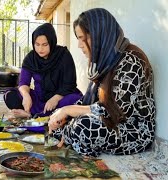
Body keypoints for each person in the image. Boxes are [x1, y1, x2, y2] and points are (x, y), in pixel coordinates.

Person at [48, 8, 156, 157]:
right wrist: (64, 115)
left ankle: (73, 138)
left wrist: (68, 111)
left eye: (82, 38)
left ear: (98, 35)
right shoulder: (105, 61)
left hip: (132, 131)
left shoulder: (132, 61)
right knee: (57, 119)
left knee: (83, 126)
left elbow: (116, 110)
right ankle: (71, 138)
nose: (79, 45)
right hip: (108, 122)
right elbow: (89, 103)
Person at [4, 23, 82, 118]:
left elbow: (70, 84)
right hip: (39, 99)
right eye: (37, 44)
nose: (40, 49)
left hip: (61, 97)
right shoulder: (30, 58)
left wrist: (55, 99)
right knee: (10, 95)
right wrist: (26, 96)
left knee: (75, 99)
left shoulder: (63, 55)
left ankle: (33, 115)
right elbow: (23, 82)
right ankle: (41, 115)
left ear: (51, 42)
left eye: (45, 45)